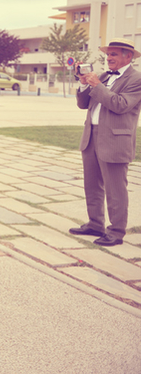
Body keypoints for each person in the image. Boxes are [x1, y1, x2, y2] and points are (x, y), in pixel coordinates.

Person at [70, 38, 141, 247]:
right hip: (91, 136)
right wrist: (84, 85)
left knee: (115, 189)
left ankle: (117, 232)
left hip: (115, 140)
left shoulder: (136, 79)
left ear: (128, 56)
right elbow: (83, 105)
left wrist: (97, 85)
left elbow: (120, 105)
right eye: (108, 54)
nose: (109, 58)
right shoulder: (101, 76)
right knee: (92, 186)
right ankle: (95, 224)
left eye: (114, 54)